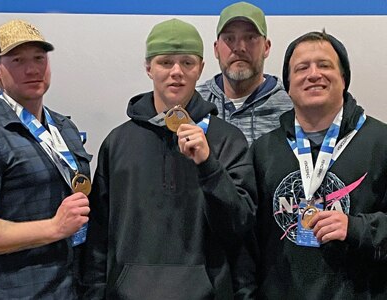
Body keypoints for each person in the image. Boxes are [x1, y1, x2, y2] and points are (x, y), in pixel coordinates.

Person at [81, 18, 255, 300]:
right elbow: (99, 237)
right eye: (165, 62)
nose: (177, 72)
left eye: (187, 63)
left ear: (200, 68)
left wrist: (209, 166)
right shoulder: (117, 142)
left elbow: (240, 229)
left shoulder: (227, 140)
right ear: (149, 68)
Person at [250, 29, 387, 299]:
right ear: (288, 85)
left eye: (324, 65)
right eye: (302, 68)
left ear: (344, 79)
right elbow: (248, 244)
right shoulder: (263, 150)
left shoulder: (381, 142)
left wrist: (357, 228)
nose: (314, 74)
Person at [0, 19, 92, 299]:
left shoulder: (64, 128)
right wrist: (55, 228)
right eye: (18, 60)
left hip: (72, 287)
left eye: (39, 58)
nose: (33, 69)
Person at [197, 1, 292, 145]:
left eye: (250, 38)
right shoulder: (196, 103)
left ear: (266, 47)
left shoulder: (290, 105)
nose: (239, 47)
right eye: (229, 38)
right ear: (216, 49)